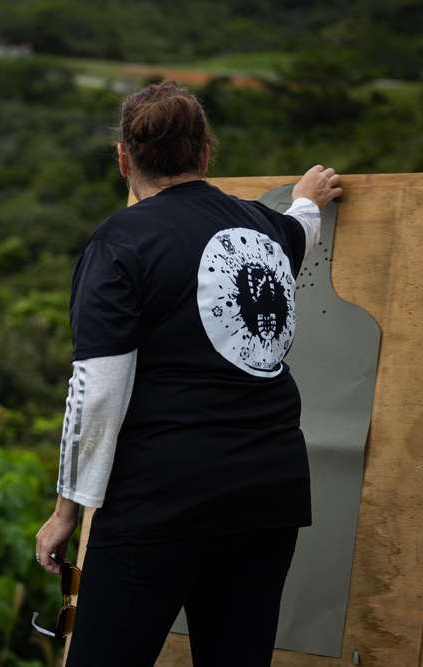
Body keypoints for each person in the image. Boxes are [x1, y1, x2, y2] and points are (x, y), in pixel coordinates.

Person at [34, 80, 342, 667]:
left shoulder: (119, 242)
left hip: (163, 498)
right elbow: (298, 229)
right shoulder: (263, 230)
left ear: (123, 158)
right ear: (205, 153)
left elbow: (96, 392)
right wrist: (308, 197)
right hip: (268, 495)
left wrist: (66, 510)